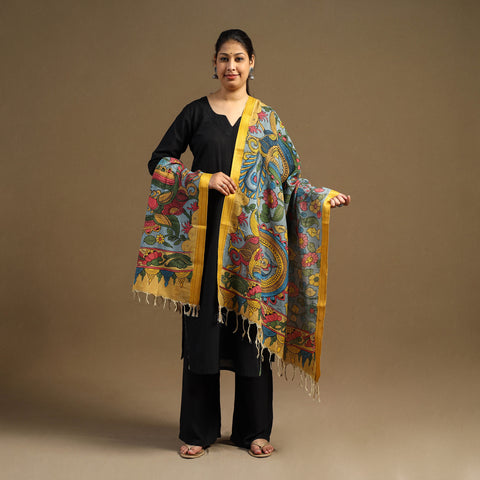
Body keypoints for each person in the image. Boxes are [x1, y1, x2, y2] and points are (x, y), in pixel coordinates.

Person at [134, 29, 351, 459]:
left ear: (252, 64)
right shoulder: (195, 113)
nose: (230, 66)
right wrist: (202, 179)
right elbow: (159, 162)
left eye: (238, 58)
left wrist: (320, 197)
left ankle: (253, 430)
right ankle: (197, 431)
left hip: (254, 248)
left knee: (254, 337)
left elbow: (290, 182)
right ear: (213, 64)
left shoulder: (267, 120)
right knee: (203, 337)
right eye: (223, 58)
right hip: (207, 245)